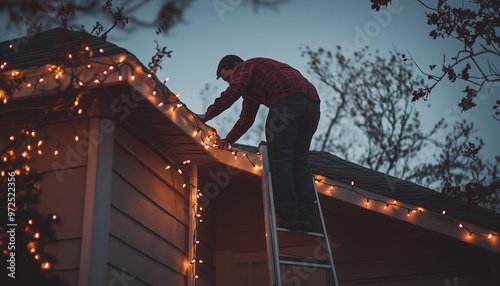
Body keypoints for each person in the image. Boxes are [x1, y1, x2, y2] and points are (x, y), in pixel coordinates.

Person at [198, 55, 321, 232]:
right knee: (299, 161)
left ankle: (291, 215)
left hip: (287, 99)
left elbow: (234, 90)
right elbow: (246, 119)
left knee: (280, 158)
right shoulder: (253, 86)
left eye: (228, 78)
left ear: (236, 65)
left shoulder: (248, 65)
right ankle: (306, 217)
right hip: (312, 106)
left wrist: (207, 115)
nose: (230, 83)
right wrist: (228, 141)